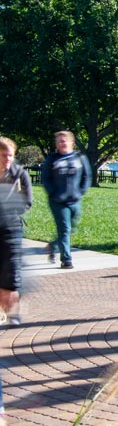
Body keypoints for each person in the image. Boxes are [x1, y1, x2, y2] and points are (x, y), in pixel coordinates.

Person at [41, 131, 92, 269]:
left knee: (71, 229)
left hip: (75, 200)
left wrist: (81, 191)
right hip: (58, 201)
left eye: (64, 141)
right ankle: (66, 260)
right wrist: (53, 193)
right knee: (64, 229)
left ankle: (53, 245)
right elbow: (45, 178)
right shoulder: (52, 159)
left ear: (71, 142)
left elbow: (87, 177)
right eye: (58, 141)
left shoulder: (79, 158)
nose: (61, 143)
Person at [0, 137, 32, 327]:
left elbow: (27, 201)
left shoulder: (20, 174)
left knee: (11, 271)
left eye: (10, 156)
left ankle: (13, 311)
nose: (7, 159)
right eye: (4, 155)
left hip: (11, 228)